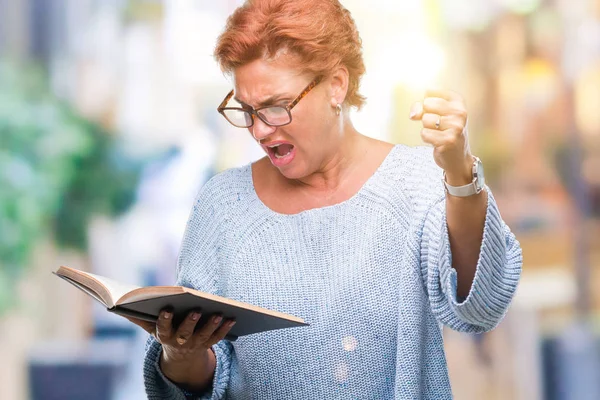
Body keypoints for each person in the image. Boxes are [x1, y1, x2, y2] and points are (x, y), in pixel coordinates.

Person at [129, 0, 523, 398]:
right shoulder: (223, 206)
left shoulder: (418, 185)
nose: (260, 130)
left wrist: (459, 176)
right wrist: (180, 358)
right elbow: (202, 377)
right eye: (247, 110)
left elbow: (481, 308)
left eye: (276, 107)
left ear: (337, 84)